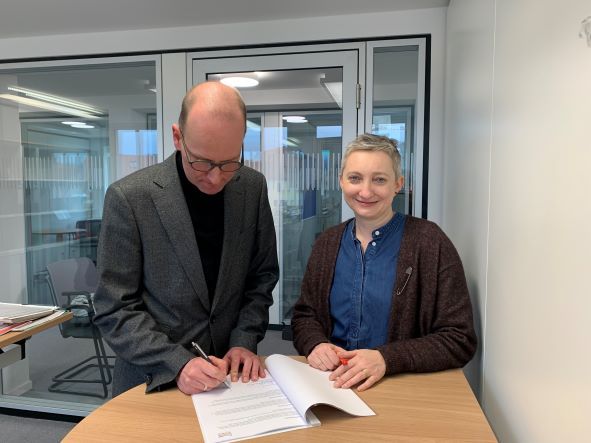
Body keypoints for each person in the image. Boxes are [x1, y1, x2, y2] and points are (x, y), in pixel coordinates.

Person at [93, 81, 279, 396]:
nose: (216, 177)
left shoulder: (252, 187)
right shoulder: (130, 197)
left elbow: (261, 278)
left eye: (229, 162)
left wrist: (244, 340)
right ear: (177, 137)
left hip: (231, 379)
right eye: (202, 162)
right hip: (150, 379)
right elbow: (114, 307)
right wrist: (177, 362)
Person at [291, 133, 476, 391]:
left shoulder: (430, 242)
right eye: (355, 178)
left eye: (379, 179)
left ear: (398, 184)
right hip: (332, 386)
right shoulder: (327, 243)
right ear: (341, 181)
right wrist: (315, 343)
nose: (365, 191)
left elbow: (459, 338)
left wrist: (386, 359)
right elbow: (304, 315)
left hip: (398, 392)